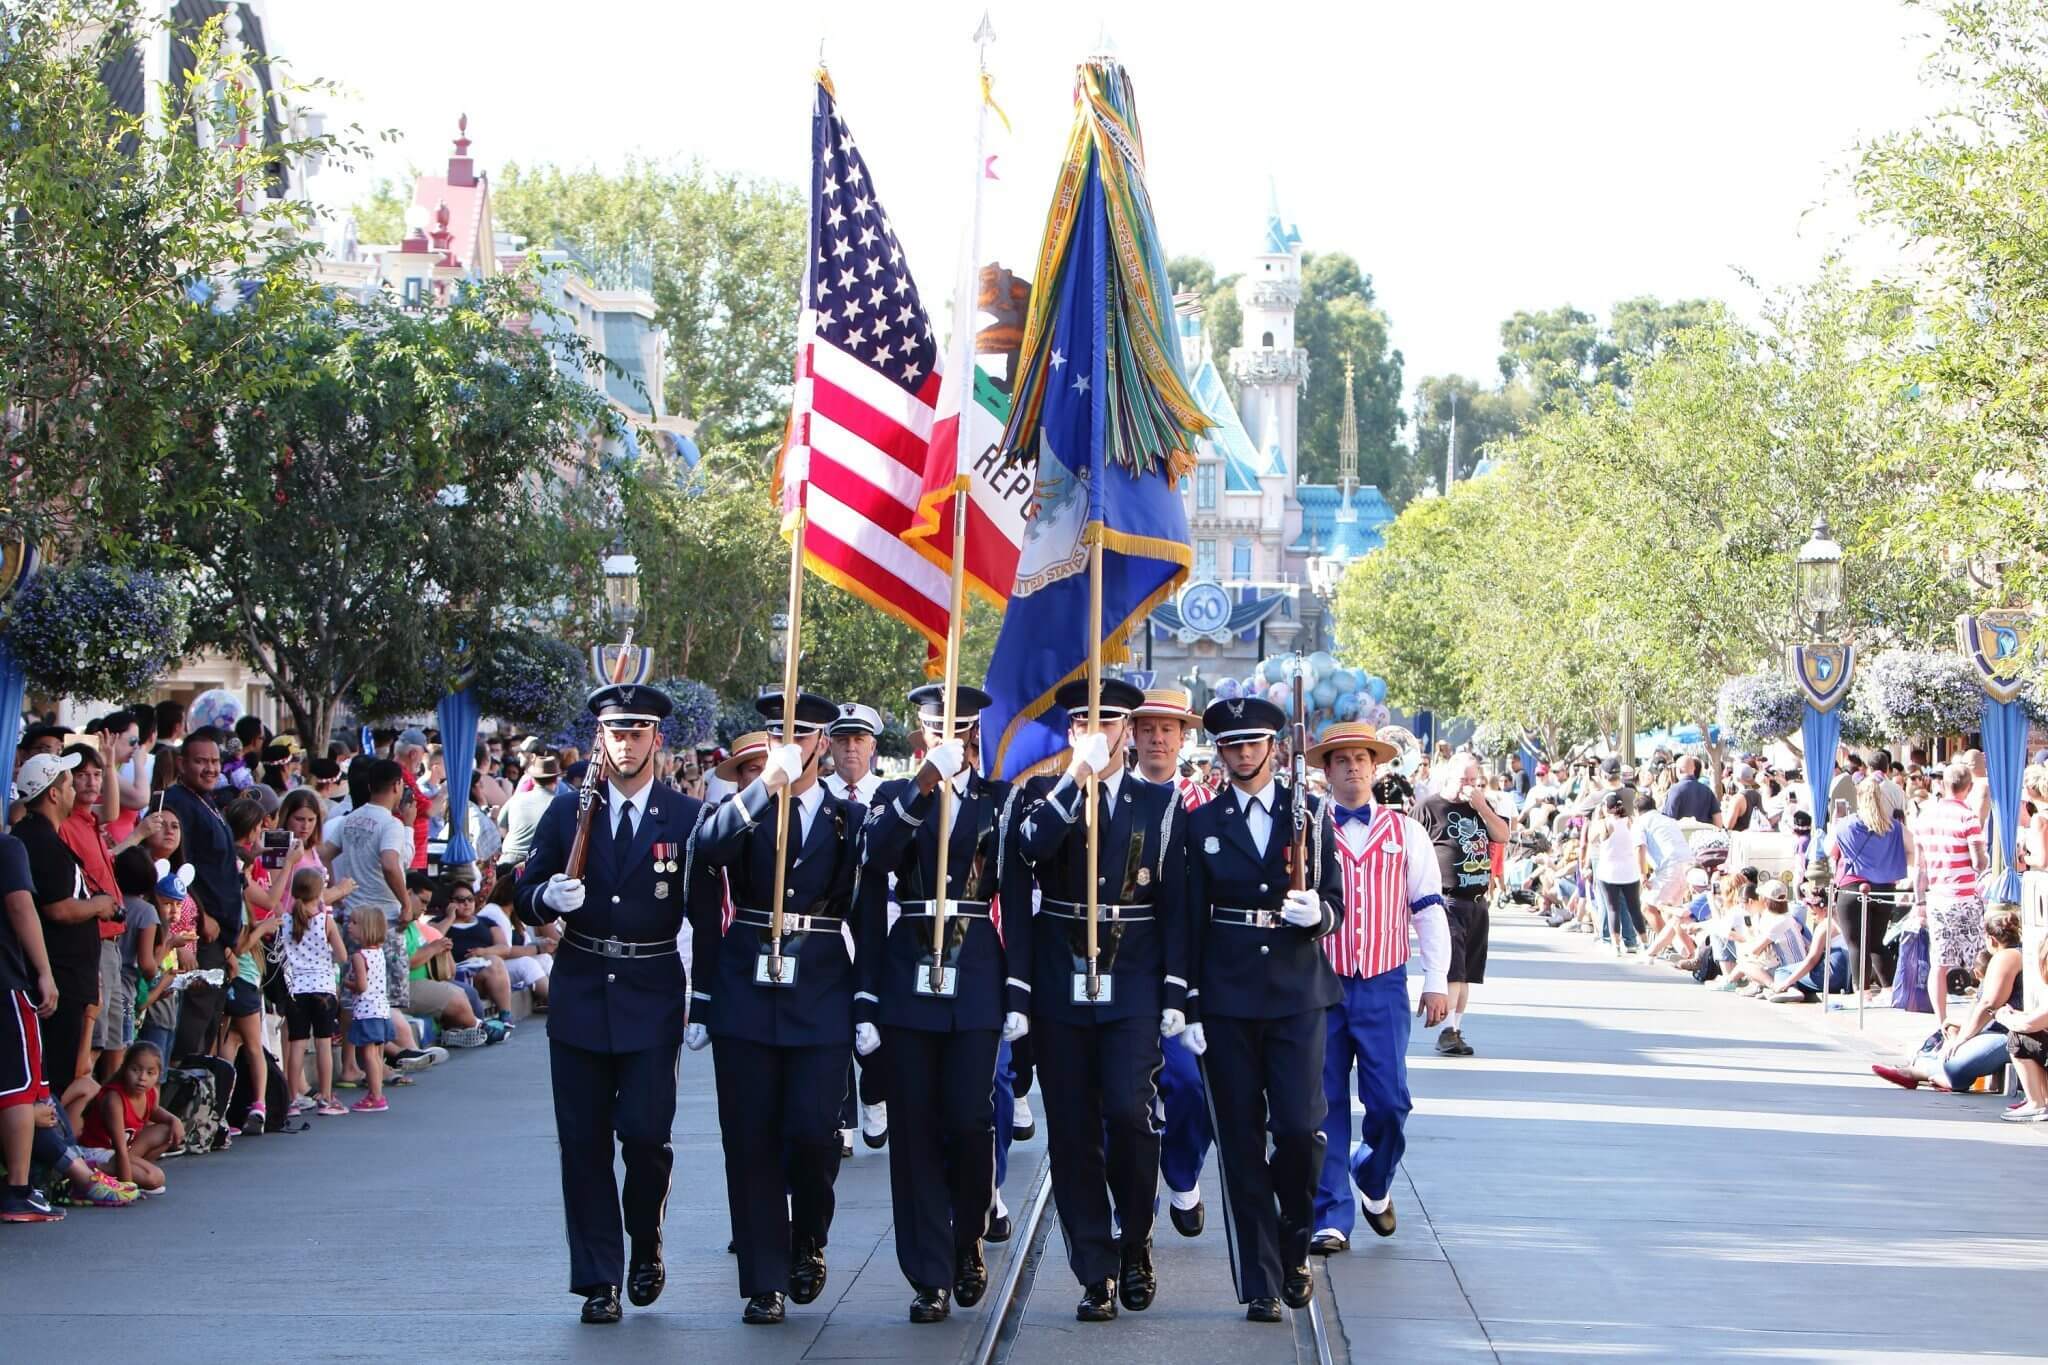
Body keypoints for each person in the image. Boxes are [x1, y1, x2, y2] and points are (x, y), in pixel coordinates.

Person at [515, 682, 702, 1326]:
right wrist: (548, 899)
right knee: (583, 1143)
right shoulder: (569, 811)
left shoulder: (685, 818)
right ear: (601, 737)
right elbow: (526, 889)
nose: (627, 742)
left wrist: (703, 997)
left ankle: (644, 1239)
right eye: (616, 732)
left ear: (658, 738)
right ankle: (598, 1277)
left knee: (647, 1137)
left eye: (638, 731)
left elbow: (706, 911)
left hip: (651, 990)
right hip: (582, 989)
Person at [1004, 677, 1187, 1323]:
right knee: (1073, 1130)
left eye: (1109, 721)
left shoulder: (1156, 801)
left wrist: (1174, 988)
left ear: (1127, 727)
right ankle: (1094, 1266)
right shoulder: (1040, 793)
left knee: (1131, 1115)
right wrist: (1070, 781)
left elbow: (1175, 905)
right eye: (1084, 720)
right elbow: (1030, 849)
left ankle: (1134, 1237)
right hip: (1061, 979)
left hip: (1132, 978)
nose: (1097, 731)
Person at [687, 689, 862, 1326]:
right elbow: (704, 852)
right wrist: (763, 791)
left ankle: (809, 1237)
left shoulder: (848, 819)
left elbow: (862, 909)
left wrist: (866, 1002)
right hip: (747, 987)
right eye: (778, 737)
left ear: (822, 743)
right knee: (750, 1138)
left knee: (814, 1135)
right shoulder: (743, 809)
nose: (789, 747)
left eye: (802, 736)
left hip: (819, 986)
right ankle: (763, 1278)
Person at [854, 682, 1019, 1323]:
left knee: (971, 1122)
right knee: (915, 1128)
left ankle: (967, 1236)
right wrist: (924, 786)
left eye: (959, 728)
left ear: (975, 733)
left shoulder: (997, 801)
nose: (949, 737)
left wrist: (1019, 987)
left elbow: (1021, 872)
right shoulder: (897, 796)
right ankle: (927, 1273)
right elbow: (875, 862)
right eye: (935, 727)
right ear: (920, 732)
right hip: (909, 971)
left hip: (975, 966)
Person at [1183, 695, 1337, 1323]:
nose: (1244, 754)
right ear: (1219, 752)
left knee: (1299, 1131)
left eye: (1254, 744)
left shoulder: (1313, 814)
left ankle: (1293, 1245)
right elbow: (1189, 919)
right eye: (1232, 746)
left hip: (1298, 991)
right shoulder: (1200, 823)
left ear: (1275, 747)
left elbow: (1336, 897)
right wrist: (1187, 1001)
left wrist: (1319, 914)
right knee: (1241, 1143)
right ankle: (1262, 1279)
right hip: (1226, 995)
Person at [1300, 722, 1447, 1260]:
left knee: (1389, 1101)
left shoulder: (1405, 831)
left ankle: (1371, 1170)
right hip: (1321, 984)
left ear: (1376, 766)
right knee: (1324, 1101)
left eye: (1362, 758)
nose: (1354, 767)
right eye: (1342, 760)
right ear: (1327, 769)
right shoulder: (1309, 831)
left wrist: (1436, 980)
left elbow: (1429, 908)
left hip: (1384, 982)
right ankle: (1330, 1212)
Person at [1128, 687, 1214, 1235]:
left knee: (1190, 1085)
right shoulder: (1114, 797)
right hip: (1127, 962)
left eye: (1169, 729)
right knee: (1122, 1095)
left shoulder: (1205, 804)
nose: (1158, 738)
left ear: (1184, 738)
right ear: (1132, 736)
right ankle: (1132, 1202)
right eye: (1148, 728)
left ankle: (1181, 1174)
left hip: (1194, 968)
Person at [16, 752, 117, 1094]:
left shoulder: (41, 838)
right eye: (70, 784)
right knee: (54, 1072)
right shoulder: (40, 842)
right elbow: (57, 909)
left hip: (69, 977)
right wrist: (98, 905)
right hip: (59, 976)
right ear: (53, 794)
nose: (76, 791)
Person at [1412, 752, 1507, 1058]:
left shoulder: (1479, 806)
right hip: (1447, 899)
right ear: (1448, 777)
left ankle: (1455, 1027)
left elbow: (1502, 835)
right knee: (1452, 969)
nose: (1469, 785)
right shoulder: (1429, 807)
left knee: (1466, 973)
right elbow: (1410, 847)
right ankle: (1446, 1031)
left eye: (1473, 779)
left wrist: (1481, 805)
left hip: (1477, 899)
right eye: (1463, 779)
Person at [1874, 909, 2025, 1091]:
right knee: (1948, 1033)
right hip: (1997, 1028)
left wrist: (1963, 1037)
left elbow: (1989, 1004)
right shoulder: (2011, 955)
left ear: (1991, 939)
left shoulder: (2006, 956)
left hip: (2007, 1032)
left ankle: (1922, 1072)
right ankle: (1924, 1069)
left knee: (1956, 1064)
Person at [1, 827, 64, 1224]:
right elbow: (20, 905)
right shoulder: (7, 848)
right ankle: (18, 1190)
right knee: (17, 1089)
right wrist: (44, 970)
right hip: (5, 981)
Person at [1914, 761, 1988, 1028]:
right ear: (1967, 788)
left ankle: (1942, 1020)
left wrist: (1919, 901)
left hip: (1937, 897)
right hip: (1964, 896)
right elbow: (1979, 863)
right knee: (1978, 960)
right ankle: (1975, 1020)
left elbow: (1919, 868)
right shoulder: (1968, 817)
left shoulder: (1924, 817)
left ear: (1943, 785)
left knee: (1939, 962)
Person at [1826, 776, 1912, 993]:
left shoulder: (1845, 824)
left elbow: (1829, 851)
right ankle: (1891, 989)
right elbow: (1913, 851)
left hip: (1852, 886)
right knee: (1876, 942)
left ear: (1858, 797)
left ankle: (1862, 992)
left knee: (1856, 944)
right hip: (1884, 888)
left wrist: (1833, 822)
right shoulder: (1895, 827)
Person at [278, 866, 349, 1117]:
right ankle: (326, 1097)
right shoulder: (325, 921)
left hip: (295, 989)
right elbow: (342, 956)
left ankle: (291, 1099)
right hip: (323, 988)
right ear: (320, 892)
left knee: (296, 1044)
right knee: (323, 1044)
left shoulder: (285, 921)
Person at [78, 1041, 178, 1194]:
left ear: (158, 1075)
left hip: (123, 1150)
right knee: (154, 1178)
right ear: (125, 1069)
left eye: (150, 1073)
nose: (142, 1078)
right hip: (99, 1151)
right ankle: (90, 1169)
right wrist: (127, 1189)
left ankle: (131, 1174)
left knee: (168, 1130)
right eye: (135, 1070)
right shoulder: (114, 1099)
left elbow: (155, 1111)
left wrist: (174, 1120)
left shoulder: (150, 1093)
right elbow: (120, 1149)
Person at [343, 906, 392, 1114]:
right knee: (377, 1053)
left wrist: (347, 983)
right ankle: (377, 1091)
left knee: (369, 1054)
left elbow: (361, 986)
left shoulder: (359, 956)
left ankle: (375, 1095)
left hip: (366, 1010)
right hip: (381, 1008)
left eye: (354, 923)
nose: (349, 926)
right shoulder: (378, 953)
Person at [497, 754, 560, 875]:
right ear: (555, 779)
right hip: (537, 862)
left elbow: (501, 825)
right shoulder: (558, 803)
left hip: (508, 859)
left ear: (533, 779)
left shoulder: (516, 798)